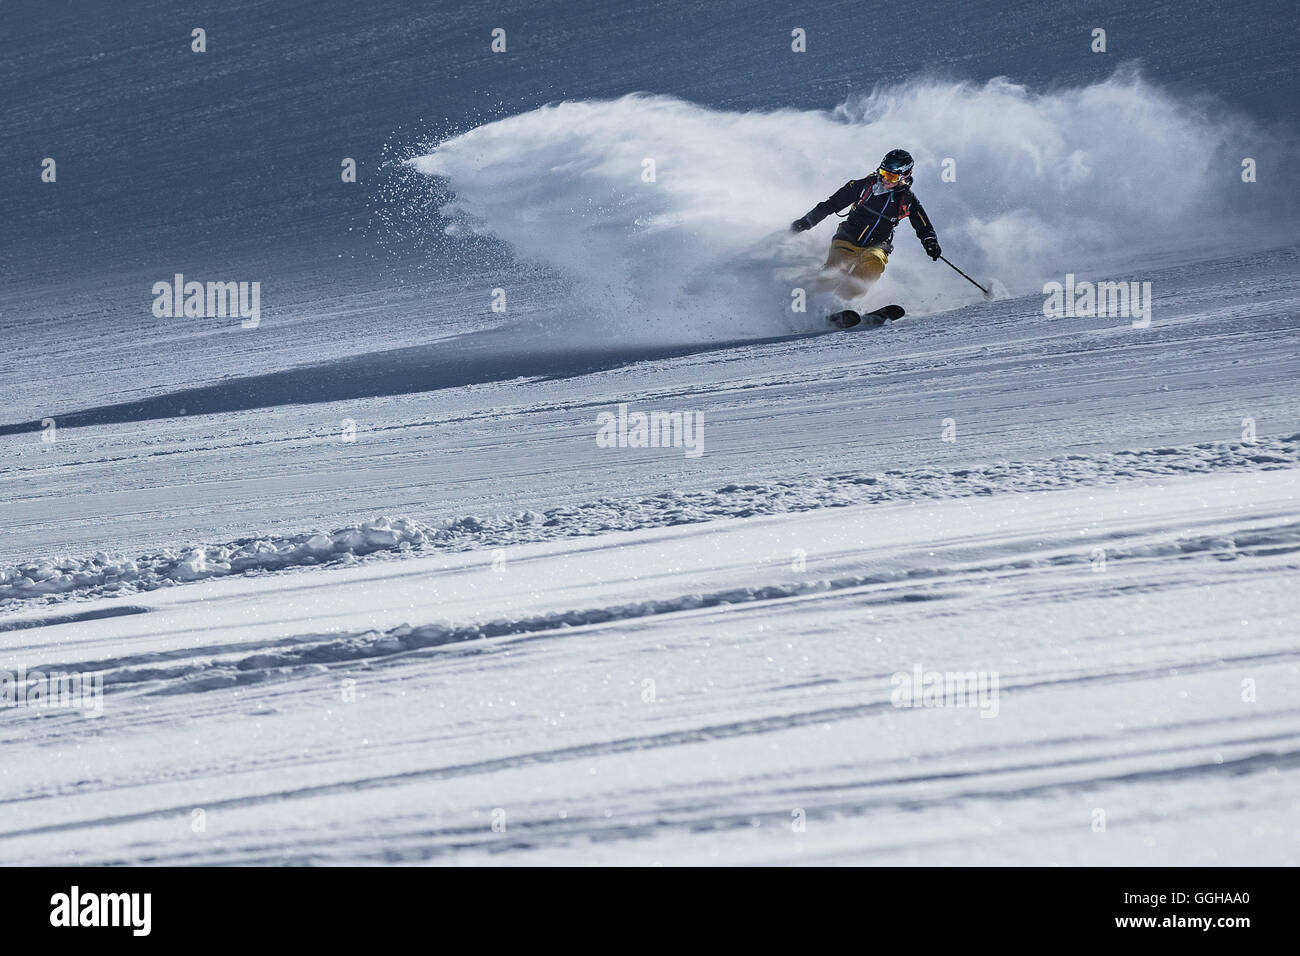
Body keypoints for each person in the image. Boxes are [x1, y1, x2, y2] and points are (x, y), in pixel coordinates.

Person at [791, 149, 941, 300]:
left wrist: (930, 242)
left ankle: (840, 304)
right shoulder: (863, 186)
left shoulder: (907, 200)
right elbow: (831, 204)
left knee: (874, 265)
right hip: (848, 237)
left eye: (891, 176)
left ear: (905, 176)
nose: (885, 179)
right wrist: (806, 222)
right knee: (834, 272)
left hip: (878, 244)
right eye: (883, 173)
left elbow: (923, 225)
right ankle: (813, 302)